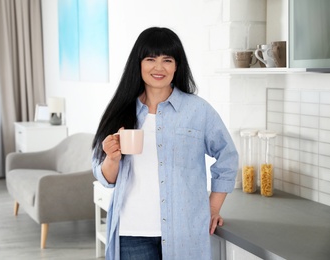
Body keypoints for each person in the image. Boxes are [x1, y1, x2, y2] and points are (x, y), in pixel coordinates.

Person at [92, 27, 238, 260]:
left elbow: (228, 156)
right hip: (132, 233)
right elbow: (106, 179)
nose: (159, 68)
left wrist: (213, 208)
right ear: (138, 64)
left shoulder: (198, 111)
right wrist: (112, 158)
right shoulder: (120, 111)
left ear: (177, 66)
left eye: (167, 60)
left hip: (185, 231)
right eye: (150, 59)